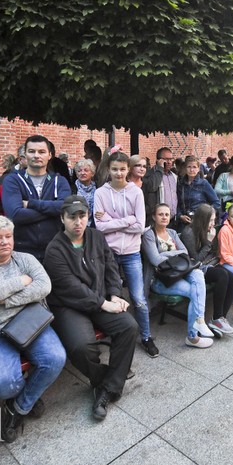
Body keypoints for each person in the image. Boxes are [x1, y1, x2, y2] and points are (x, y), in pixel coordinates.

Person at [0, 215, 66, 443]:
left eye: (8, 236)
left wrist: (4, 300)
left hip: (30, 322)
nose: (5, 242)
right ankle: (26, 396)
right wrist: (20, 282)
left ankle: (19, 407)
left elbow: (43, 286)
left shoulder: (24, 259)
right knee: (3, 384)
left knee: (55, 358)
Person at [43, 195, 138, 420]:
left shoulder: (96, 236)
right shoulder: (54, 250)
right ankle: (110, 378)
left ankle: (107, 389)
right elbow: (71, 288)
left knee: (129, 326)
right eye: (72, 217)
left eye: (82, 216)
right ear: (62, 218)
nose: (78, 222)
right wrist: (104, 304)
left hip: (101, 298)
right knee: (81, 347)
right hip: (69, 306)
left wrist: (115, 295)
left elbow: (111, 267)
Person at [93, 151, 157, 358]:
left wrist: (110, 220)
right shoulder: (100, 193)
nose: (118, 173)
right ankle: (117, 334)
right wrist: (127, 220)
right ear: (108, 169)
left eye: (122, 169)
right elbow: (99, 227)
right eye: (114, 169)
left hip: (131, 252)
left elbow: (140, 226)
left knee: (138, 298)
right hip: (109, 252)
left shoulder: (135, 192)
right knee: (110, 295)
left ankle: (146, 336)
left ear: (128, 169)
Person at [141, 204, 213, 348]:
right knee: (194, 292)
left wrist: (166, 254)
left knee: (198, 273)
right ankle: (193, 336)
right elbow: (155, 260)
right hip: (161, 279)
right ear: (154, 217)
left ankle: (200, 320)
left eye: (167, 214)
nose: (164, 217)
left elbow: (184, 252)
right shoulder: (149, 235)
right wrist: (175, 254)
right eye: (160, 214)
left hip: (179, 274)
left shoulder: (172, 233)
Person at [1, 135, 72, 261]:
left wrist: (30, 204)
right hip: (22, 252)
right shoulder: (13, 180)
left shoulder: (59, 181)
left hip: (55, 250)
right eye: (31, 151)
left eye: (42, 152)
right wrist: (53, 210)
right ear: (25, 155)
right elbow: (15, 215)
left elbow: (65, 207)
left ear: (49, 155)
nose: (36, 155)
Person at [180, 204, 233, 336]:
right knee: (222, 275)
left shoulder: (208, 229)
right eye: (211, 220)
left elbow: (213, 254)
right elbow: (196, 260)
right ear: (202, 219)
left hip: (210, 264)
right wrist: (209, 242)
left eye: (214, 220)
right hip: (195, 270)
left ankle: (221, 318)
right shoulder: (188, 233)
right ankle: (217, 318)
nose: (213, 223)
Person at [177, 155, 220, 229]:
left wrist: (204, 214)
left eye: (194, 167)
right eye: (189, 167)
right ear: (185, 168)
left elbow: (216, 203)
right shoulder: (181, 184)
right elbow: (177, 203)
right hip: (184, 223)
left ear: (198, 169)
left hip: (200, 223)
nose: (191, 170)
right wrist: (180, 215)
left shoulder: (203, 183)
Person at [142, 147, 179, 225]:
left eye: (171, 159)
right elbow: (152, 187)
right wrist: (160, 168)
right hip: (156, 220)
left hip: (172, 220)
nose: (169, 162)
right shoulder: (151, 174)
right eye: (166, 159)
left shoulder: (174, 176)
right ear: (158, 160)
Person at [74, 158, 97, 225]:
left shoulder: (98, 188)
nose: (82, 173)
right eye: (79, 171)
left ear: (92, 173)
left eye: (86, 170)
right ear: (76, 174)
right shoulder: (72, 189)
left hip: (94, 225)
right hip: (77, 224)